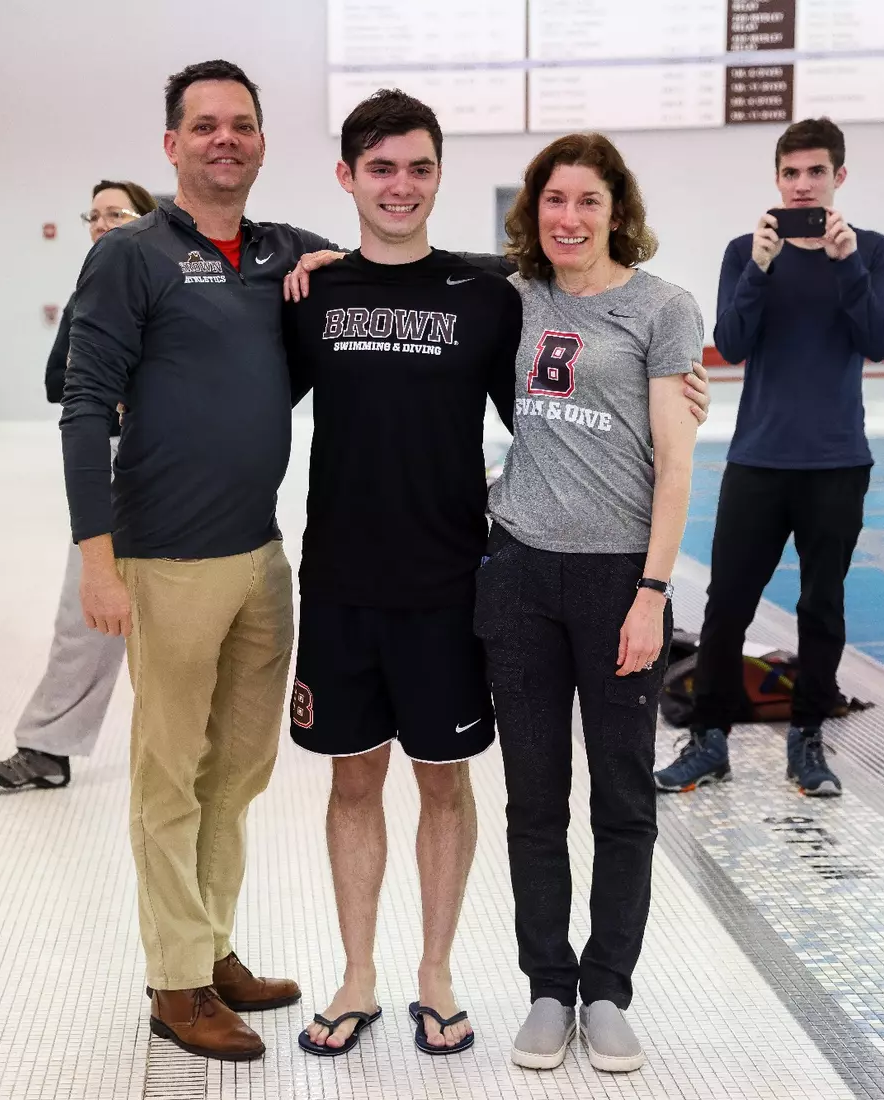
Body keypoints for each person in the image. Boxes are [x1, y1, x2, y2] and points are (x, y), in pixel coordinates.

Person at [61, 60, 342, 1063]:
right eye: (205, 125)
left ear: (262, 141)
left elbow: (392, 265)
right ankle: (175, 982)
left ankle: (213, 945)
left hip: (262, 556)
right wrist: (99, 560)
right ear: (172, 145)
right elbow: (85, 401)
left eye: (243, 125)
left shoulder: (282, 251)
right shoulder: (131, 255)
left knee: (237, 774)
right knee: (168, 778)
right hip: (168, 559)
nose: (225, 139)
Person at [278, 90, 521, 1059]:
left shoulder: (485, 297)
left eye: (419, 167)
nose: (401, 186)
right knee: (352, 783)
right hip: (338, 582)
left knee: (446, 784)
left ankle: (436, 970)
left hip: (449, 587)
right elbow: (244, 399)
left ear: (438, 175)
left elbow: (541, 417)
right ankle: (358, 972)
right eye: (381, 168)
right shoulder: (310, 296)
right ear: (347, 177)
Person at [475, 132, 701, 1072]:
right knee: (535, 800)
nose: (568, 219)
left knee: (621, 800)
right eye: (553, 201)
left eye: (587, 202)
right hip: (521, 569)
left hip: (619, 579)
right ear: (533, 211)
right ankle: (546, 986)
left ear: (617, 211)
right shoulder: (512, 297)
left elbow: (678, 464)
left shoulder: (664, 308)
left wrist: (652, 593)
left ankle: (608, 989)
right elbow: (414, 272)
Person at [654, 117, 884, 799]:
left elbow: (878, 340)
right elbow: (731, 343)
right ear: (776, 178)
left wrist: (847, 265)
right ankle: (709, 739)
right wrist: (760, 269)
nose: (801, 185)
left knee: (822, 605)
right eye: (790, 173)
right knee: (727, 604)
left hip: (837, 462)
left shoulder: (873, 252)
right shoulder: (745, 251)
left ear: (838, 178)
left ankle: (808, 742)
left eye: (814, 172)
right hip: (758, 460)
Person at [0, 180, 157, 791]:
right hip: (103, 459)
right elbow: (60, 379)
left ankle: (189, 747)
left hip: (164, 461)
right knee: (88, 604)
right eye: (96, 215)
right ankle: (48, 747)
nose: (103, 224)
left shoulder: (164, 282)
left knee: (183, 608)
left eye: (118, 214)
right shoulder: (89, 291)